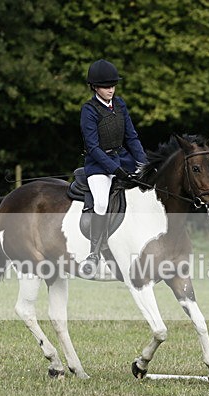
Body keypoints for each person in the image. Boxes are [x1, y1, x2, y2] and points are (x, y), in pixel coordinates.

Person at [79, 59, 147, 277]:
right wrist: (115, 170)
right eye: (106, 86)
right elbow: (93, 147)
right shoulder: (89, 110)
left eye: (112, 85)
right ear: (95, 87)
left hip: (122, 159)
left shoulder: (120, 104)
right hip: (98, 165)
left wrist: (144, 163)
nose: (110, 89)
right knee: (100, 202)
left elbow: (132, 137)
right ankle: (94, 254)